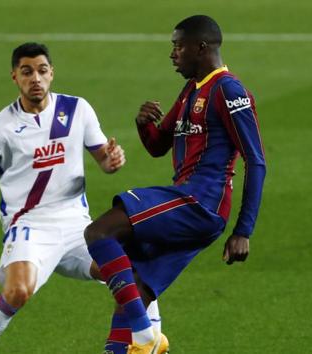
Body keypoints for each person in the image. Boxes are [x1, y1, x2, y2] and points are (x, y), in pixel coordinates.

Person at [0, 42, 130, 354]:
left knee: (130, 273)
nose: (35, 78)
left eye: (42, 70)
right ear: (14, 77)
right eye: (27, 72)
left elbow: (104, 160)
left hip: (77, 225)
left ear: (51, 74)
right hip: (29, 227)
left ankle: (145, 342)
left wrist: (112, 160)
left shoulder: (77, 110)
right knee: (18, 291)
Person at [84, 15, 266, 354]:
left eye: (178, 46)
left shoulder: (228, 90)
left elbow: (256, 160)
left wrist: (244, 230)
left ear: (201, 48)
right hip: (189, 202)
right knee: (133, 289)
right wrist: (143, 125)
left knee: (99, 233)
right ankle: (131, 343)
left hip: (201, 201)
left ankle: (145, 336)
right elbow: (158, 146)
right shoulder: (191, 90)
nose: (172, 54)